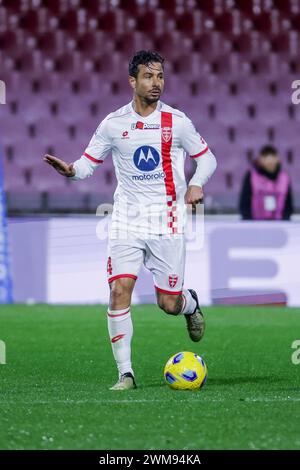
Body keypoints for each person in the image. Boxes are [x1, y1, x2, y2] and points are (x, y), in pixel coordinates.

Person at [43, 50, 217, 390]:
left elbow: (207, 159)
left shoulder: (177, 122)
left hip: (166, 221)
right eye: (149, 77)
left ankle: (190, 303)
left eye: (161, 76)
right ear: (132, 81)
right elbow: (87, 164)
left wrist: (196, 183)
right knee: (119, 291)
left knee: (168, 303)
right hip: (126, 220)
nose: (157, 83)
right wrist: (71, 170)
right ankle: (126, 374)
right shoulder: (113, 124)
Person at [239, 145, 293, 220]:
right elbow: (245, 203)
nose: (269, 160)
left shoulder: (285, 178)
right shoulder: (251, 176)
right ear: (260, 159)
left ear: (277, 158)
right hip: (256, 225)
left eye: (272, 156)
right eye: (266, 156)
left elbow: (288, 205)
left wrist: (284, 221)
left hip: (279, 225)